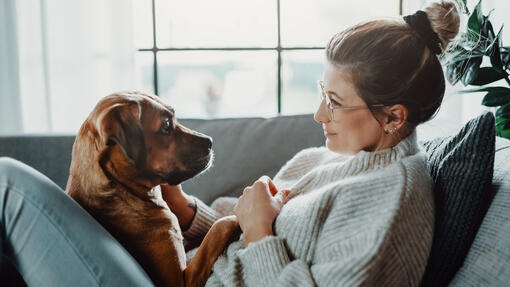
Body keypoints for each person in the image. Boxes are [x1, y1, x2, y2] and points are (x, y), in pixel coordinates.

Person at [0, 1, 460, 286]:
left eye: (335, 101)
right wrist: (188, 213)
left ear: (394, 116)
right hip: (172, 269)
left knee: (7, 183)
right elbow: (235, 224)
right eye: (322, 93)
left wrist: (259, 233)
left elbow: (254, 234)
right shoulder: (324, 159)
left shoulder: (392, 201)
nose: (319, 115)